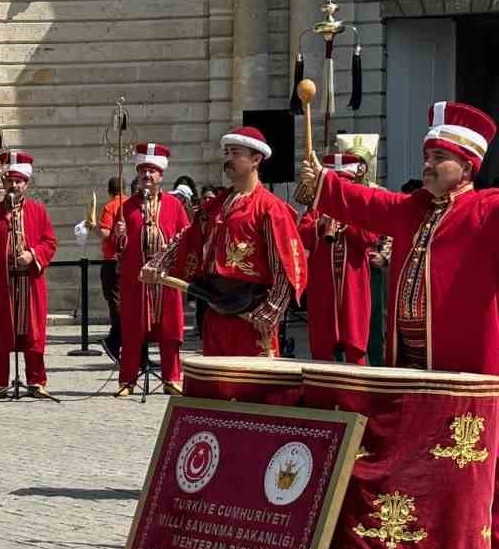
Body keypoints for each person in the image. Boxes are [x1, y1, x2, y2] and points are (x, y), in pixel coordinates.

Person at [297, 101, 499, 374]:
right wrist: (323, 180)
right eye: (426, 157)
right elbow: (366, 202)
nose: (428, 165)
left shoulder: (485, 209)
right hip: (407, 358)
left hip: (460, 359)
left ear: (466, 167)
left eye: (439, 157)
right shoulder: (413, 208)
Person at [145, 126, 307, 358]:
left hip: (251, 318)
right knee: (214, 388)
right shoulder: (216, 206)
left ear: (256, 159)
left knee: (253, 390)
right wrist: (158, 262)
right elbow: (188, 236)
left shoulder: (270, 208)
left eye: (235, 153)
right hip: (214, 310)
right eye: (227, 153)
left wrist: (271, 310)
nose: (228, 159)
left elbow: (285, 264)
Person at [0, 151, 59, 398]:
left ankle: (36, 381)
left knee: (33, 333)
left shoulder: (38, 211)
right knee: (1, 334)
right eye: (9, 180)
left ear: (26, 183)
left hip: (30, 282)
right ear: (3, 183)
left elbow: (50, 242)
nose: (13, 185)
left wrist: (33, 255)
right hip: (3, 283)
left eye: (18, 181)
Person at [112, 143, 189, 396]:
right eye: (143, 171)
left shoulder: (174, 205)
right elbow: (117, 247)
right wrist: (120, 235)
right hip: (137, 280)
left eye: (152, 171)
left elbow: (185, 237)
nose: (147, 176)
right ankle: (127, 380)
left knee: (170, 332)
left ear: (161, 176)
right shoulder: (126, 207)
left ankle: (171, 378)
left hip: (166, 279)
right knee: (133, 332)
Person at [296, 151, 380, 365]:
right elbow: (301, 235)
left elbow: (370, 237)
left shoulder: (360, 202)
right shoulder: (316, 204)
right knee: (323, 346)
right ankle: (323, 393)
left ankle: (356, 393)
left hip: (353, 283)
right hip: (322, 284)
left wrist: (348, 223)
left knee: (355, 345)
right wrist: (321, 224)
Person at [95, 175, 126, 361]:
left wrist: (93, 227)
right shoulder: (131, 204)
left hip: (113, 259)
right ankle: (116, 339)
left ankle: (115, 339)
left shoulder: (110, 207)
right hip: (129, 259)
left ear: (109, 190)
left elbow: (105, 232)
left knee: (115, 301)